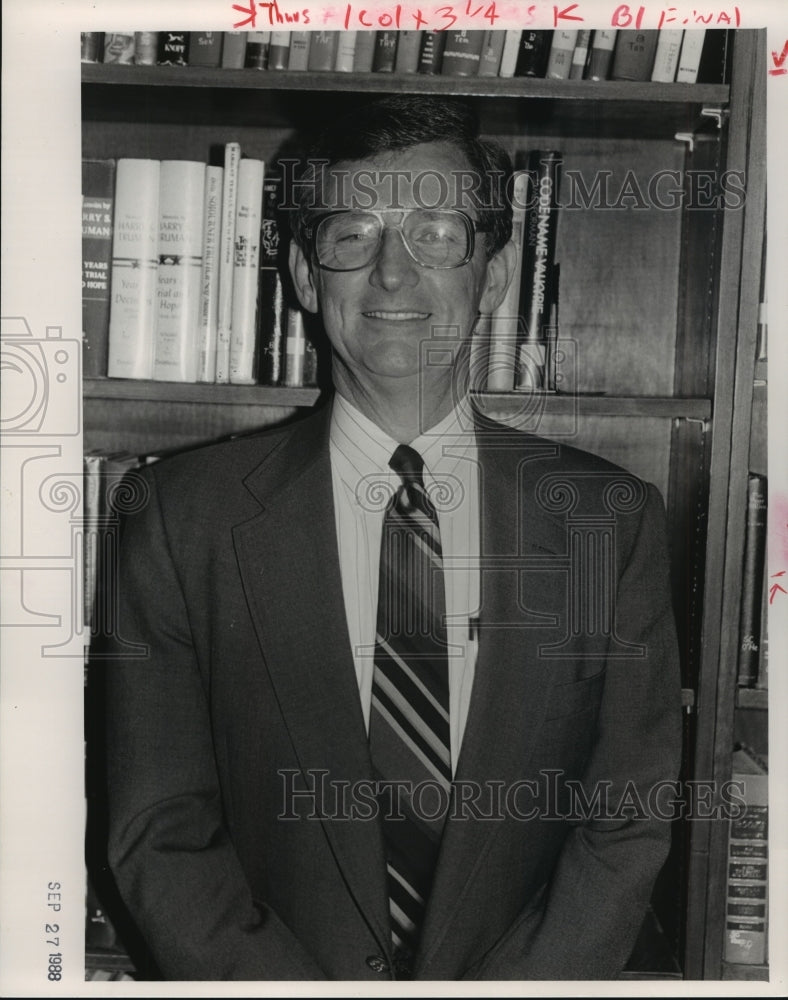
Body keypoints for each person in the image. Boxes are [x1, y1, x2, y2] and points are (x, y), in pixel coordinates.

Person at [105, 95, 682, 981]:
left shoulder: (610, 519)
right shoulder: (179, 518)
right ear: (305, 276)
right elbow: (160, 828)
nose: (392, 276)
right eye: (352, 235)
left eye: (437, 235)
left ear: (491, 276)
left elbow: (629, 817)